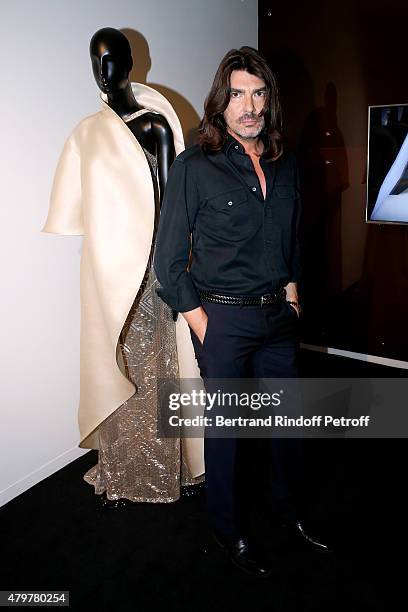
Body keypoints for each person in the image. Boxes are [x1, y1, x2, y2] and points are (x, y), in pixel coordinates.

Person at [154, 46, 330, 577]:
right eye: (237, 94)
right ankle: (227, 528)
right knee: (228, 433)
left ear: (269, 101)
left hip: (279, 317)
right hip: (224, 321)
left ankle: (290, 513)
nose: (248, 106)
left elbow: (293, 242)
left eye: (258, 93)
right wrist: (204, 325)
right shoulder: (195, 166)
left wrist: (294, 298)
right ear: (221, 101)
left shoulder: (287, 163)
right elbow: (167, 263)